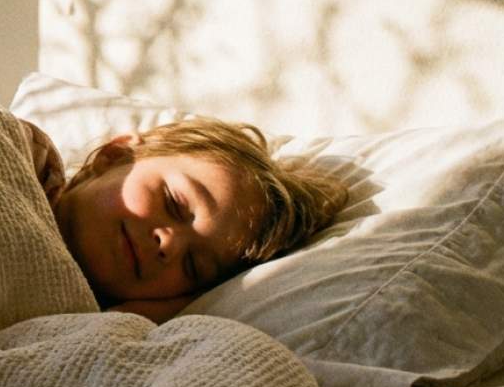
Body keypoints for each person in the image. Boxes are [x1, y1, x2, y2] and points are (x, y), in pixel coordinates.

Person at [21, 117, 345, 323]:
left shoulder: (87, 325)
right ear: (115, 155)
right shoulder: (23, 155)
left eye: (193, 266)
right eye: (174, 204)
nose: (171, 244)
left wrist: (129, 321)